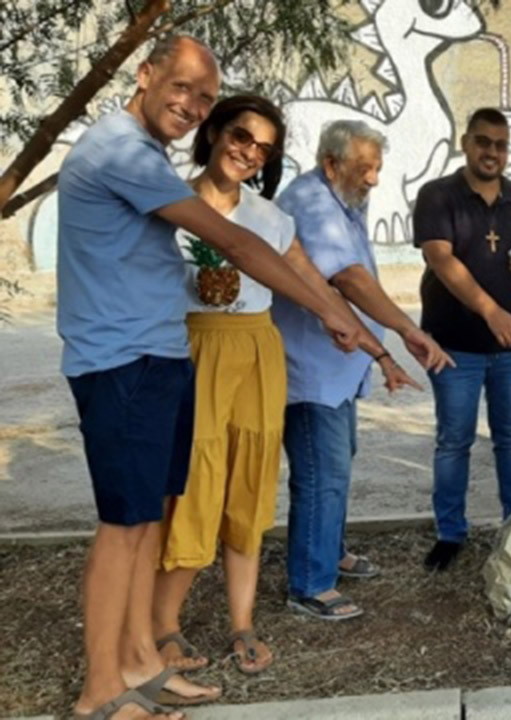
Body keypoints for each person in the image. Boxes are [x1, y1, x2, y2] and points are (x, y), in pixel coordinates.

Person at [57, 35, 358, 720]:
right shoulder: (118, 150)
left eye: (204, 95)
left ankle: (139, 661)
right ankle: (100, 690)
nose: (192, 104)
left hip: (159, 356)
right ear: (145, 74)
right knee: (124, 524)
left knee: (150, 526)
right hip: (120, 362)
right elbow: (234, 242)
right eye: (183, 86)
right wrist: (332, 315)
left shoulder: (143, 154)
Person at [149, 96, 411, 673]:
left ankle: (241, 622)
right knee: (196, 487)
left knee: (249, 488)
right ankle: (162, 624)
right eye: (240, 136)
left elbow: (315, 286)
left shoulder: (271, 218)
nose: (247, 152)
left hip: (259, 351)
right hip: (195, 351)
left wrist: (374, 344)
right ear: (215, 132)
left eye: (262, 147)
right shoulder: (170, 203)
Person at [272, 119, 454, 619]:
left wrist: (382, 350)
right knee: (321, 472)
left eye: (377, 168)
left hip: (337, 365)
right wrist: (405, 330)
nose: (374, 179)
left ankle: (328, 551)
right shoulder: (310, 201)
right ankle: (310, 583)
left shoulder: (343, 199)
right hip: (309, 367)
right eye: (364, 168)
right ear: (331, 164)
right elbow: (349, 279)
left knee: (337, 462)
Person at [414, 107, 511, 571]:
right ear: (466, 142)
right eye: (483, 142)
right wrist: (490, 310)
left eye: (500, 144)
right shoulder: (438, 195)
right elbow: (441, 260)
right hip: (454, 344)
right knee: (453, 440)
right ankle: (450, 533)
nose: (492, 152)